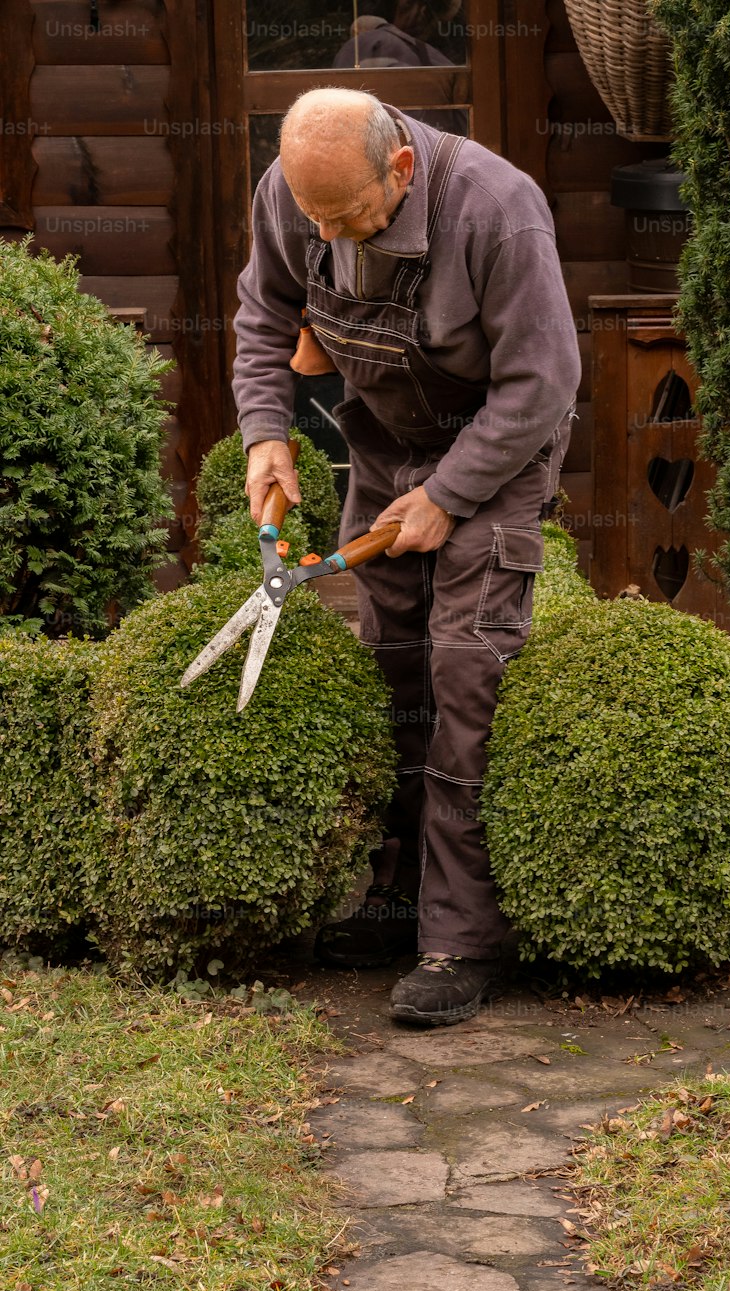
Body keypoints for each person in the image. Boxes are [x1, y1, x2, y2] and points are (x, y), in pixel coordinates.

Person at [232, 87, 580, 1026]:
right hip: (386, 449)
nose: (332, 239)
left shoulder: (497, 211)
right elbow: (265, 318)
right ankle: (393, 908)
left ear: (402, 168)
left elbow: (544, 379)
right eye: (316, 220)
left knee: (465, 671)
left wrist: (453, 494)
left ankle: (460, 939)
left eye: (350, 219)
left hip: (498, 451)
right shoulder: (290, 195)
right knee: (390, 668)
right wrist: (266, 432)